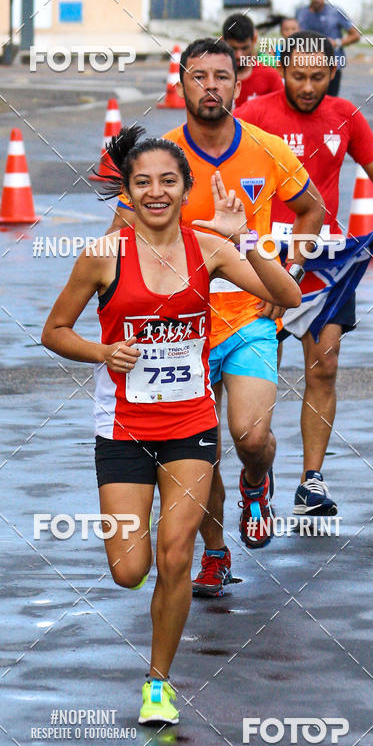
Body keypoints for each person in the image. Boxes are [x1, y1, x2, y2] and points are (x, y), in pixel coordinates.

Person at [42, 126, 301, 725]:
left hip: (189, 426)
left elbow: (286, 293)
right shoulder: (104, 256)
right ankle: (148, 544)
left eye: (168, 181)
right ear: (127, 193)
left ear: (186, 189)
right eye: (142, 182)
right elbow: (55, 331)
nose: (156, 192)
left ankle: (158, 683)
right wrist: (101, 354)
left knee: (176, 554)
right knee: (129, 570)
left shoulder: (210, 246)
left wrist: (249, 241)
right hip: (124, 430)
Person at [107, 38, 324, 599]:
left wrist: (291, 273)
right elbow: (119, 233)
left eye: (221, 76)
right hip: (178, 332)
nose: (210, 86)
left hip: (249, 315)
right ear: (180, 85)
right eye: (197, 76)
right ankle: (216, 553)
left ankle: (259, 481)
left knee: (250, 436)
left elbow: (311, 210)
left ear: (239, 84)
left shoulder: (266, 148)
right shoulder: (161, 158)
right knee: (196, 448)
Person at [238, 31, 373, 517]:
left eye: (318, 76)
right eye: (298, 75)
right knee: (258, 373)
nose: (308, 86)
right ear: (282, 71)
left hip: (326, 265)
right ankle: (257, 468)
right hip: (266, 263)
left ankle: (311, 481)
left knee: (324, 368)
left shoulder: (346, 115)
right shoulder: (255, 115)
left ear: (333, 73)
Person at [296, 0, 360, 96]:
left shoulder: (335, 12)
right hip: (307, 65)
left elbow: (356, 35)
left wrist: (337, 42)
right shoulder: (301, 13)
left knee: (330, 102)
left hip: (332, 65)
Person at [222, 13, 283, 109]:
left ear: (254, 39)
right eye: (233, 48)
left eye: (244, 48)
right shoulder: (211, 79)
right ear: (222, 41)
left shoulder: (270, 76)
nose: (239, 55)